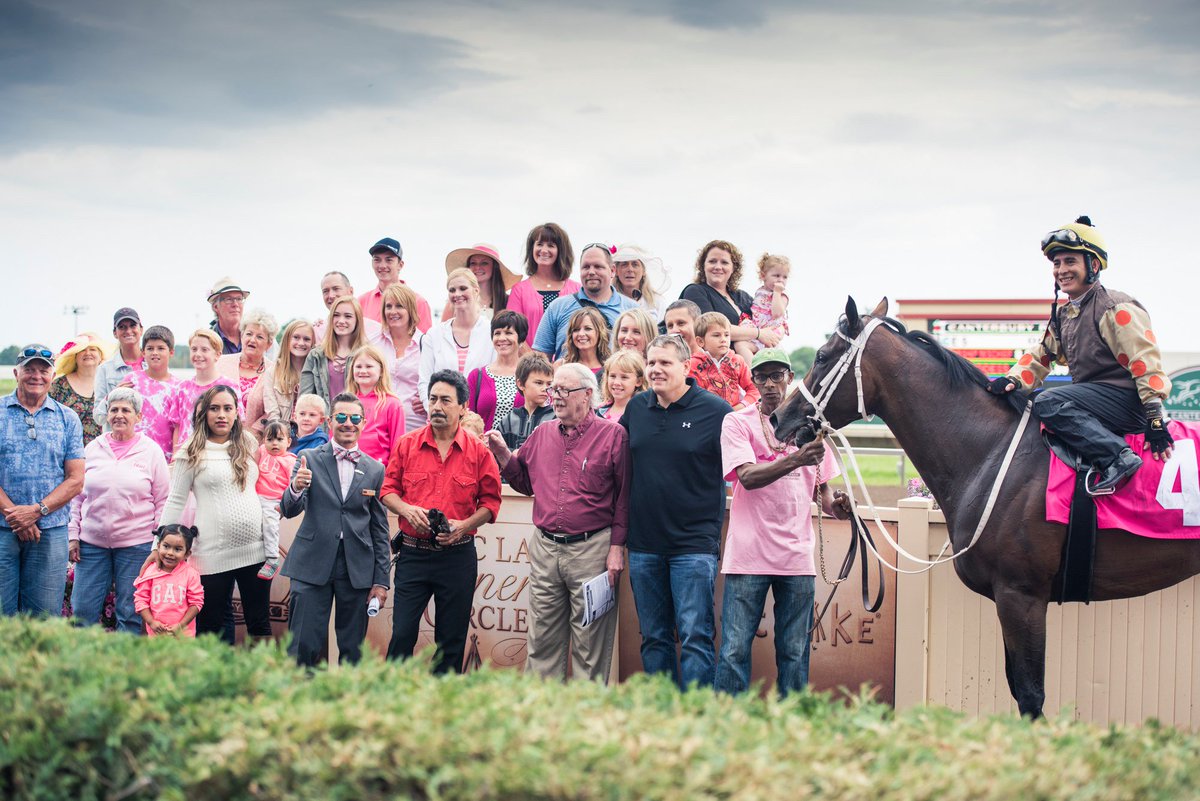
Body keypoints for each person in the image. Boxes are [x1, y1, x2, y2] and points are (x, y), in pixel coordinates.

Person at [988, 216, 1174, 494]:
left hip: (1128, 404)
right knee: (1034, 401)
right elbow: (1042, 355)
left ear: (1093, 266)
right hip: (1096, 401)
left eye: (1070, 262)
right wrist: (1012, 380)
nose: (1061, 270)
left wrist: (1155, 418)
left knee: (1048, 401)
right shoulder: (1065, 314)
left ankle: (1117, 457)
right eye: (1057, 263)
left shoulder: (1116, 307)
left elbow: (1144, 361)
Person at [714, 349, 851, 696]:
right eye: (762, 377)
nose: (770, 384)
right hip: (748, 557)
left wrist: (840, 508)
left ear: (790, 378)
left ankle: (792, 722)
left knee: (795, 652)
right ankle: (726, 721)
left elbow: (823, 496)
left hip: (796, 558)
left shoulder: (811, 428)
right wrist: (796, 460)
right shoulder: (737, 422)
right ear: (754, 381)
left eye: (777, 376)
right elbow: (747, 477)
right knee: (734, 650)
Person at [484, 363, 630, 682]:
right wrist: (504, 455)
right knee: (542, 641)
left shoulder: (613, 435)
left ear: (587, 394)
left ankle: (584, 711)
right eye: (554, 390)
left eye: (564, 390)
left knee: (590, 644)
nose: (556, 397)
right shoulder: (542, 433)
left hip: (592, 549)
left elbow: (623, 498)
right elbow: (525, 483)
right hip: (546, 547)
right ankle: (542, 710)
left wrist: (616, 548)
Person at [621, 334, 732, 689]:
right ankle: (662, 710)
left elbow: (740, 469)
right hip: (644, 545)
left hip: (694, 546)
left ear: (685, 367)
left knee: (696, 637)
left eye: (665, 363)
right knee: (654, 637)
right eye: (651, 362)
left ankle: (696, 714)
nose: (655, 369)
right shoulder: (636, 408)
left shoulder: (716, 411)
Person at [381, 370, 502, 674]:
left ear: (463, 407)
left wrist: (463, 525)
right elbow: (387, 490)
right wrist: (407, 510)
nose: (436, 406)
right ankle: (391, 697)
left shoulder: (479, 452)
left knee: (451, 641)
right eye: (433, 399)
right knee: (402, 634)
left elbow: (490, 503)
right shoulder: (407, 444)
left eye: (446, 400)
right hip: (413, 553)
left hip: (457, 557)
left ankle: (442, 700)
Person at [280, 393, 391, 666]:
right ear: (330, 422)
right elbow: (289, 509)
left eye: (354, 418)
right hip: (311, 563)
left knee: (353, 650)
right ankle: (298, 692)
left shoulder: (375, 469)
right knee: (302, 645)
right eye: (341, 417)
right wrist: (296, 487)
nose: (347, 423)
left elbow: (379, 530)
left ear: (363, 423)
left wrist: (381, 581)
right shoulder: (307, 458)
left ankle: (347, 694)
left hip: (356, 568)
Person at [160, 385, 271, 640]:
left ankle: (260, 669)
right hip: (211, 555)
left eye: (227, 408)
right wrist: (158, 545)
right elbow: (175, 501)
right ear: (204, 413)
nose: (221, 414)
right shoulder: (190, 451)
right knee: (213, 627)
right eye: (214, 408)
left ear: (236, 413)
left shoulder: (248, 443)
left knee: (260, 626)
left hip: (255, 551)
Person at [68, 387, 169, 633]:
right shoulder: (93, 448)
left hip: (136, 545)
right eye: (114, 410)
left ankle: (124, 657)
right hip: (91, 545)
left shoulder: (151, 451)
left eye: (126, 410)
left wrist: (158, 544)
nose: (119, 415)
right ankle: (83, 656)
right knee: (82, 610)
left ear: (138, 417)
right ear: (107, 414)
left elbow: (163, 501)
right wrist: (72, 535)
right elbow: (77, 497)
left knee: (130, 611)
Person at [0, 345, 85, 616]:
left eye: (43, 370)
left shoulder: (68, 418)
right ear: (17, 373)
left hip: (50, 530)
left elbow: (76, 480)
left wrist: (36, 512)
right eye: (29, 369)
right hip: (3, 529)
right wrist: (17, 517)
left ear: (53, 376)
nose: (36, 376)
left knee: (44, 617)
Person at [680, 240, 783, 358]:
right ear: (703, 265)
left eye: (724, 262)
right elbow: (711, 329)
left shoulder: (743, 297)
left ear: (734, 268)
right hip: (716, 363)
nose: (718, 267)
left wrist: (776, 330)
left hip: (757, 357)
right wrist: (759, 333)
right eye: (712, 261)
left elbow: (767, 318)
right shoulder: (695, 291)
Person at [533, 243, 636, 360]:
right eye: (586, 267)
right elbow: (540, 359)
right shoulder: (558, 307)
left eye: (598, 266)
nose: (591, 272)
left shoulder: (631, 309)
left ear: (612, 270)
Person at [418, 269, 495, 402]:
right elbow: (424, 382)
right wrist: (433, 408)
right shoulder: (434, 334)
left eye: (463, 288)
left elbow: (495, 379)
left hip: (480, 412)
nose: (457, 294)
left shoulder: (492, 331)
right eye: (452, 290)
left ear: (476, 291)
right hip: (440, 413)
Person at [162, 330, 241, 455]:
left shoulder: (230, 386)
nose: (198, 354)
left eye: (204, 350)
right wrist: (175, 456)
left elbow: (238, 423)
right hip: (187, 453)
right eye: (194, 349)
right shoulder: (182, 387)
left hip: (217, 454)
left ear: (217, 355)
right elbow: (178, 426)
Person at [109, 326, 180, 458]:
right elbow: (111, 412)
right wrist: (115, 394)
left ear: (171, 352)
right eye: (150, 348)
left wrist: (175, 457)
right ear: (143, 352)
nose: (155, 353)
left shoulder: (178, 387)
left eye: (161, 348)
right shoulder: (132, 380)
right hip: (132, 454)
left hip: (165, 456)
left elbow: (179, 426)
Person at [507, 223, 581, 347]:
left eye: (551, 245)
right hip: (529, 358)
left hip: (569, 358)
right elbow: (512, 331)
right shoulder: (519, 290)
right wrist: (534, 358)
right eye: (539, 244)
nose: (544, 250)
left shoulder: (577, 290)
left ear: (561, 251)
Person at [370, 283, 427, 433]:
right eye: (388, 306)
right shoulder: (373, 342)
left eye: (399, 306)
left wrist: (428, 399)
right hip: (378, 425)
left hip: (414, 426)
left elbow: (435, 381)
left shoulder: (426, 344)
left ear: (410, 309)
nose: (393, 311)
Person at [245, 319, 314, 439]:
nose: (301, 343)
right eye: (296, 337)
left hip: (310, 436)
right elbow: (272, 411)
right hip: (281, 434)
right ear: (287, 340)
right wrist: (283, 436)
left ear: (313, 343)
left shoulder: (315, 372)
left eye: (307, 339)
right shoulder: (273, 372)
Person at [133, 524, 204, 637]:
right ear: (158, 546)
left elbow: (196, 603)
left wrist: (180, 626)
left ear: (187, 554)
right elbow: (141, 599)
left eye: (177, 549)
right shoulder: (150, 572)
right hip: (156, 635)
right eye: (166, 546)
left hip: (183, 636)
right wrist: (151, 622)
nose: (170, 553)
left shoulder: (191, 575)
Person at [301, 295, 368, 411]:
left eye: (348, 316)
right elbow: (305, 399)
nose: (341, 321)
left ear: (357, 320)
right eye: (336, 315)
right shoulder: (316, 356)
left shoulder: (368, 354)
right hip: (324, 420)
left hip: (356, 420)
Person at [358, 237, 433, 334]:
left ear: (400, 265)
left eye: (389, 260)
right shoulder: (361, 302)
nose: (382, 266)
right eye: (377, 260)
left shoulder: (418, 302)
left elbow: (425, 340)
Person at [467, 311, 528, 430]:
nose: (501, 338)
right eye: (497, 333)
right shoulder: (476, 376)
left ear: (520, 339)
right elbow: (467, 419)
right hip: (483, 441)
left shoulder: (530, 375)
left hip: (522, 442)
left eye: (508, 333)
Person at [344, 345, 405, 464]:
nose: (363, 371)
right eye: (358, 366)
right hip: (345, 467)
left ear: (381, 371)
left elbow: (398, 446)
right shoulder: (344, 402)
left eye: (369, 366)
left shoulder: (392, 404)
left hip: (379, 470)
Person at [687, 312, 759, 411]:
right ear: (700, 341)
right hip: (707, 416)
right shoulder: (692, 365)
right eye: (716, 335)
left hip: (737, 415)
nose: (723, 339)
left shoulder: (738, 361)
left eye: (726, 335)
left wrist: (741, 407)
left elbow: (754, 389)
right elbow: (692, 398)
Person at [50, 332, 110, 446]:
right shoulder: (58, 385)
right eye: (82, 350)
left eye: (92, 349)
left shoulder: (109, 384)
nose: (87, 353)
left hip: (103, 451)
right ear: (75, 357)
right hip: (66, 449)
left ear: (100, 356)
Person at [254, 421, 295, 579]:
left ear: (288, 442)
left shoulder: (290, 460)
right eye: (270, 439)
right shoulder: (262, 451)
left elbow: (293, 484)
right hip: (255, 497)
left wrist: (285, 505)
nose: (274, 443)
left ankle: (272, 559)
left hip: (274, 500)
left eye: (279, 439)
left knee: (270, 525)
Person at [441, 243, 520, 320]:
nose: (477, 267)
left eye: (484, 263)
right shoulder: (457, 300)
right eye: (473, 263)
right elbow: (443, 328)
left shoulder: (509, 301)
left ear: (494, 268)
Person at [93, 307, 145, 420]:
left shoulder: (154, 365)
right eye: (122, 327)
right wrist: (114, 395)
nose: (128, 331)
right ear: (115, 333)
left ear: (141, 330)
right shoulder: (104, 369)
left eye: (133, 325)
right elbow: (98, 417)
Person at [496, 354, 555, 450]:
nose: (545, 388)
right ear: (521, 384)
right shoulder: (509, 420)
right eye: (539, 383)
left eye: (549, 384)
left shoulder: (555, 419)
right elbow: (498, 453)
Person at [216, 308, 277, 401]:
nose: (252, 340)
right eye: (249, 334)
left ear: (269, 344)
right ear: (242, 336)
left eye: (259, 337)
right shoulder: (221, 363)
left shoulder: (274, 372)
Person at [742, 252, 791, 363]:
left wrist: (777, 293)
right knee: (740, 345)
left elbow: (777, 313)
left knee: (773, 355)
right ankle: (752, 369)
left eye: (785, 277)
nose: (781, 280)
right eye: (776, 276)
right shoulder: (760, 291)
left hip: (772, 331)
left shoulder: (782, 295)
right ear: (763, 276)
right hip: (757, 329)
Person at [313, 271, 381, 344]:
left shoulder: (375, 330)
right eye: (325, 291)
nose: (331, 295)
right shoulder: (317, 331)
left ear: (350, 291)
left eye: (336, 289)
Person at [612, 243, 671, 323]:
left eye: (635, 264)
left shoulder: (657, 301)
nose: (630, 269)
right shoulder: (609, 301)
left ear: (643, 271)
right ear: (616, 271)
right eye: (624, 264)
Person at [557, 307, 611, 379]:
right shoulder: (561, 366)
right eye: (576, 330)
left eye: (588, 329)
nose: (581, 334)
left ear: (600, 332)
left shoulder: (611, 366)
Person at [597, 350, 646, 422]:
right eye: (613, 376)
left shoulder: (642, 413)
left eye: (624, 377)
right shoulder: (599, 411)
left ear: (638, 381)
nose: (616, 382)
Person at [207, 277, 250, 355]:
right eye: (229, 299)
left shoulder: (257, 335)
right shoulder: (207, 340)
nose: (235, 304)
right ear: (215, 307)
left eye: (239, 299)